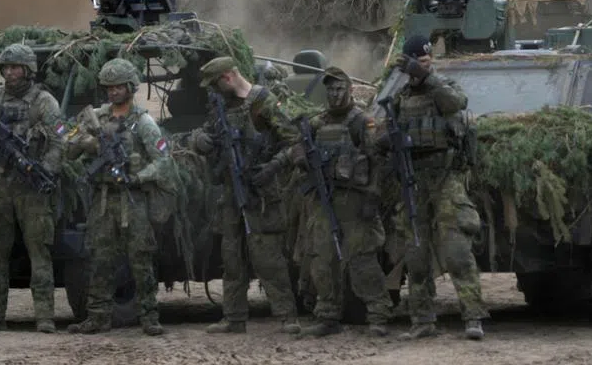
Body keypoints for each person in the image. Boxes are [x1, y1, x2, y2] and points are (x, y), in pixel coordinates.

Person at [378, 34, 487, 341]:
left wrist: (427, 77)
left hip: (445, 179)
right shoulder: (400, 98)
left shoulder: (444, 86)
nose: (423, 67)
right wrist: (388, 142)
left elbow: (456, 103)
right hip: (414, 181)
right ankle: (423, 319)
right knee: (416, 256)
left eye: (426, 62)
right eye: (418, 63)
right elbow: (386, 132)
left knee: (457, 251)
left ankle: (473, 317)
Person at [189, 56, 301, 335]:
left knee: (268, 257)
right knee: (231, 257)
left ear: (228, 76)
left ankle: (287, 316)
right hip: (231, 193)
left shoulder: (263, 101)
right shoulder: (221, 106)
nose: (213, 90)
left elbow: (294, 141)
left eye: (215, 83)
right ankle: (234, 317)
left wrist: (273, 166)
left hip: (261, 192)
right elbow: (204, 134)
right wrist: (199, 140)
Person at [66, 58, 170, 336]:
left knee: (140, 259)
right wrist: (87, 143)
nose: (113, 92)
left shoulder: (143, 122)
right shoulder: (95, 117)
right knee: (99, 259)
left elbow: (163, 161)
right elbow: (68, 149)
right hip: (103, 200)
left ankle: (149, 316)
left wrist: (139, 177)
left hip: (133, 199)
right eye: (109, 87)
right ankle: (97, 316)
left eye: (119, 87)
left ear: (131, 87)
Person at [0, 43, 65, 334]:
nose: (10, 72)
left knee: (39, 251)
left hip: (32, 188)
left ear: (28, 70)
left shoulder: (44, 102)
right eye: (6, 67)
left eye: (15, 67)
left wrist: (43, 170)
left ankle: (44, 317)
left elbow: (59, 143)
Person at [295, 66, 392, 337]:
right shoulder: (317, 123)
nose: (335, 94)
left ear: (350, 90)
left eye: (339, 89)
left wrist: (372, 194)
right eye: (330, 89)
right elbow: (297, 145)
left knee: (362, 260)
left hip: (354, 200)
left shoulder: (361, 122)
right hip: (324, 199)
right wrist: (300, 156)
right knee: (322, 259)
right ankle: (327, 315)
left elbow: (377, 160)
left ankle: (378, 314)